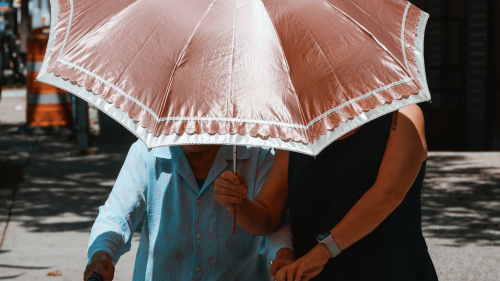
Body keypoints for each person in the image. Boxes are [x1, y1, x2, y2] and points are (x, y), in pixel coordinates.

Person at [215, 105, 438, 281]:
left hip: (391, 270)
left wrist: (323, 251)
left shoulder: (403, 116)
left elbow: (387, 195)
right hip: (315, 274)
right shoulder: (297, 131)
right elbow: (267, 217)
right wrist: (239, 204)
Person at [84, 141, 295, 281]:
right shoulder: (148, 152)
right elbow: (117, 214)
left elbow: (274, 220)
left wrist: (283, 253)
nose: (192, 122)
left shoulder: (257, 155)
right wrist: (102, 255)